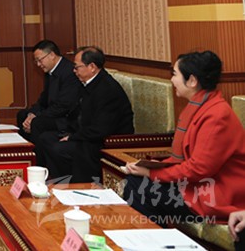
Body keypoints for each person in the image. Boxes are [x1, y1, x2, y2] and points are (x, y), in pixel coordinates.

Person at [122, 51, 245, 228]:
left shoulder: (217, 115)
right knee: (137, 182)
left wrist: (152, 174)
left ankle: (154, 240)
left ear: (192, 80)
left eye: (174, 74)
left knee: (139, 188)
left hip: (214, 193)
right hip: (196, 186)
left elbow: (199, 168)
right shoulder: (200, 106)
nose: (172, 80)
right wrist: (153, 166)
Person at [38, 46, 134, 182]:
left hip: (106, 141)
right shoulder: (88, 83)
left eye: (77, 67)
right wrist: (69, 133)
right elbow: (77, 114)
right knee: (46, 138)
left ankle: (71, 184)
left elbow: (101, 129)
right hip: (87, 134)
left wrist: (72, 137)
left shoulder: (107, 90)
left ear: (92, 67)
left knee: (59, 148)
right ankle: (60, 181)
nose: (74, 70)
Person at [16, 39, 82, 144]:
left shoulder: (69, 72)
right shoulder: (50, 71)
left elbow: (63, 106)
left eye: (40, 60)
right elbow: (43, 99)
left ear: (51, 55)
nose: (38, 64)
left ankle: (37, 153)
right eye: (36, 61)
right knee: (23, 115)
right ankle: (25, 149)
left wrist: (37, 116)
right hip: (53, 111)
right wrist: (32, 114)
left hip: (65, 118)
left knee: (37, 122)